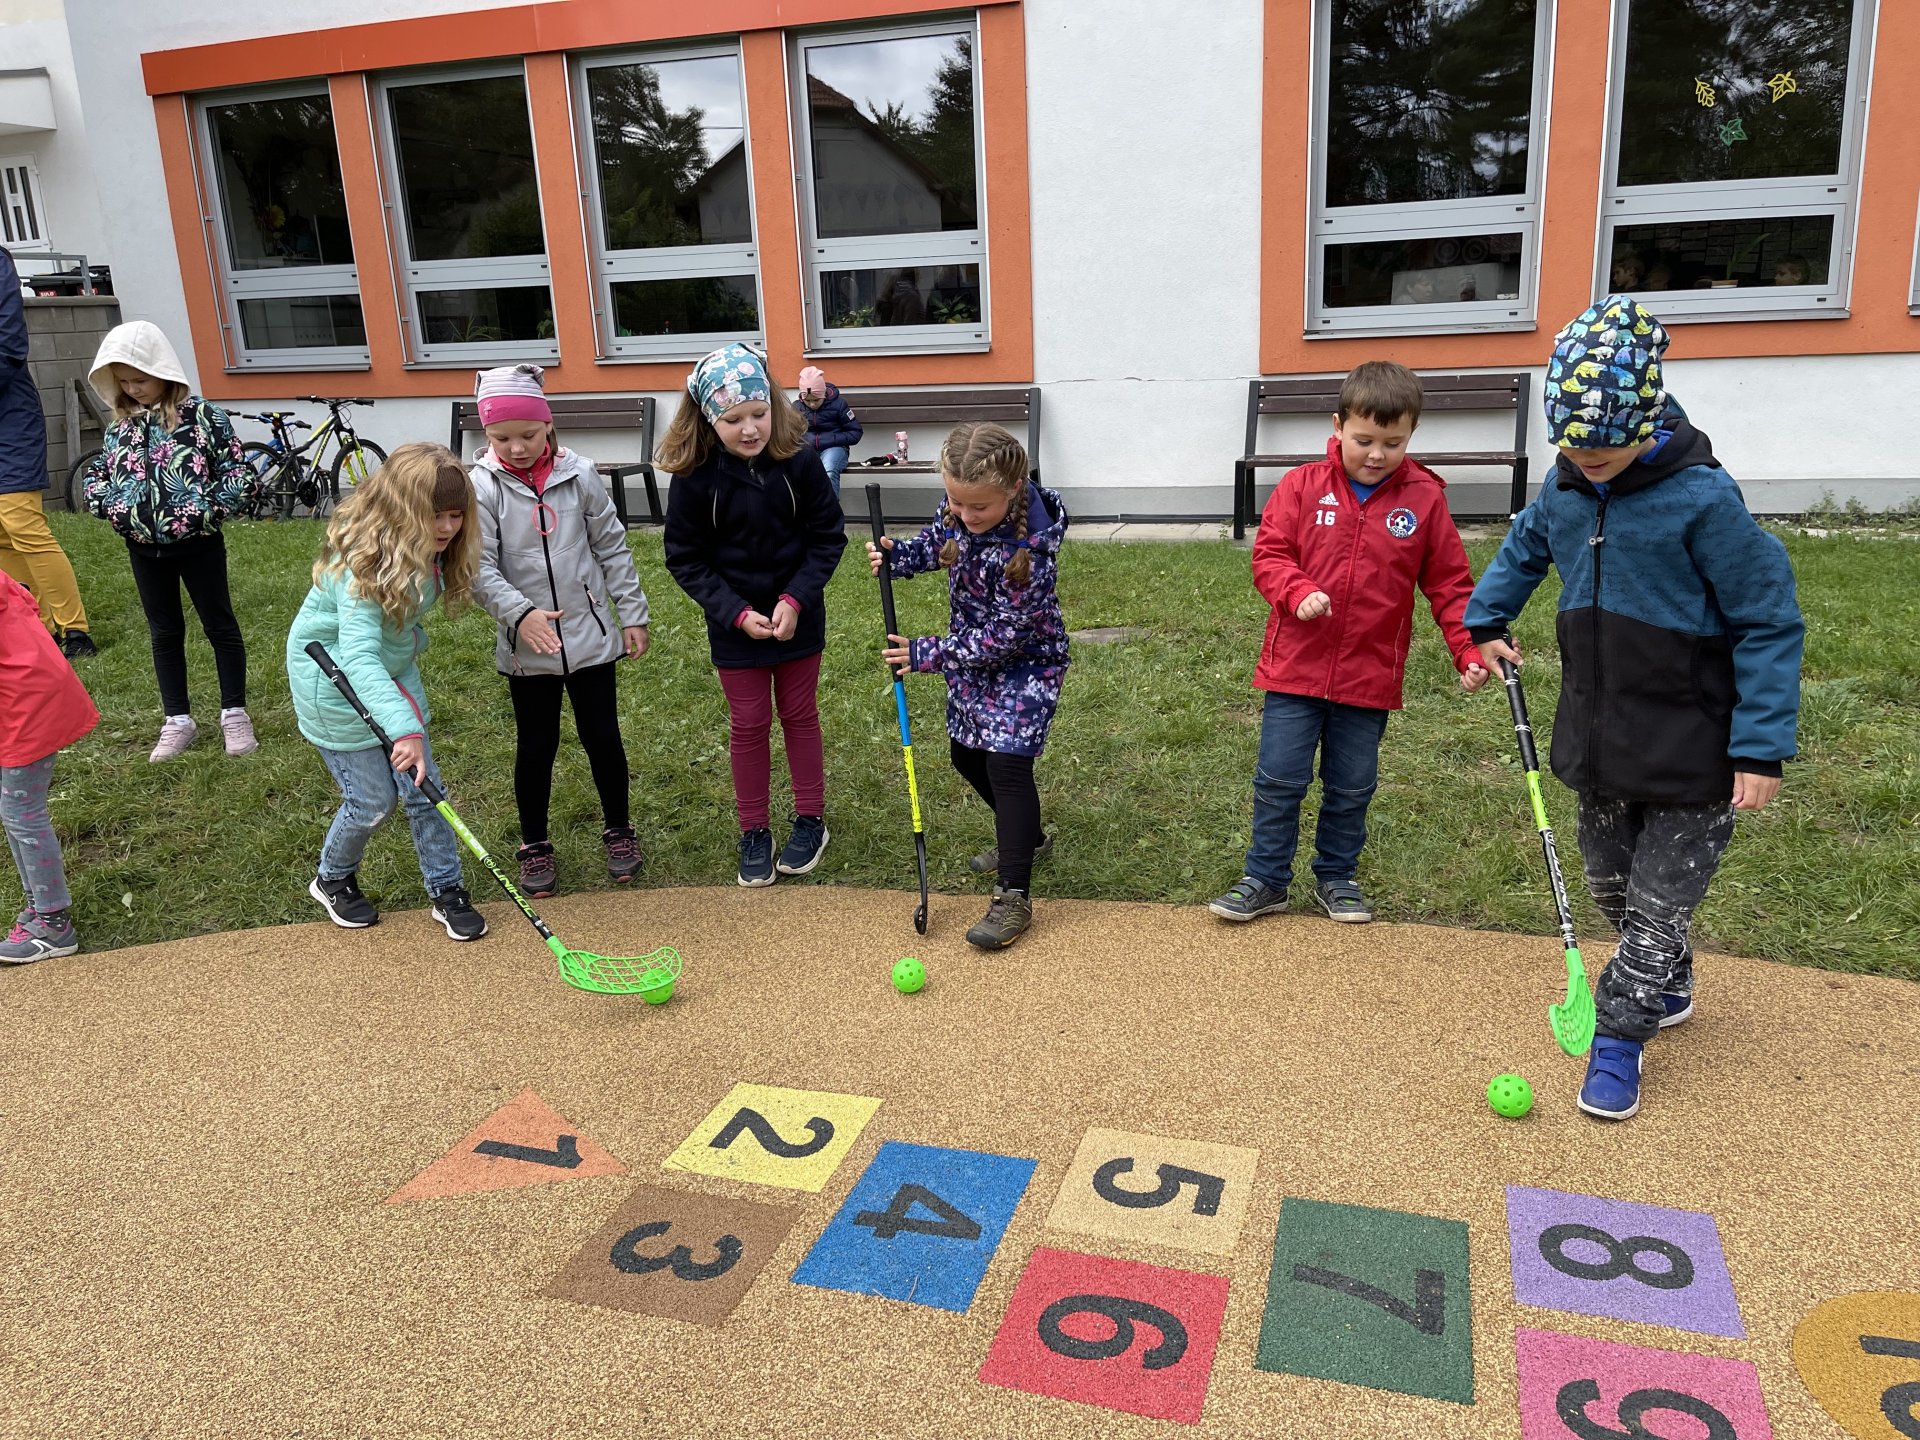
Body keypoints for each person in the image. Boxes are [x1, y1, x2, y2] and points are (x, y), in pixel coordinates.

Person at [1466, 294, 1803, 1122]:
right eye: (1572, 449)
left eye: (1603, 453)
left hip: (1694, 746)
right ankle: (1668, 977)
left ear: (1646, 424)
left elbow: (1768, 620)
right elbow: (1528, 543)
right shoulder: (1567, 484)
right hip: (1599, 737)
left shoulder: (1704, 500)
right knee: (1612, 889)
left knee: (1655, 911)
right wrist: (1487, 620)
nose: (1586, 464)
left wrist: (1759, 746)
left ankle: (1618, 1040)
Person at [1209, 360, 1490, 927]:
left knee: (1352, 785)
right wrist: (1296, 590)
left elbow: (1450, 584)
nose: (1377, 454)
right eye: (1364, 440)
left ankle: (1337, 876)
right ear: (1338, 426)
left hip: (1369, 674)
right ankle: (1266, 878)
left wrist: (1467, 648)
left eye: (1393, 442)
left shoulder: (1424, 498)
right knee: (1279, 779)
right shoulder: (1302, 486)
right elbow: (1270, 555)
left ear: (1412, 434)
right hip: (1295, 668)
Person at [867, 422, 1069, 950]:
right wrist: (899, 557)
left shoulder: (1031, 554)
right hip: (970, 659)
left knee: (1006, 764)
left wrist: (926, 653)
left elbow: (1005, 637)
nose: (965, 514)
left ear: (1014, 489)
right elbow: (940, 543)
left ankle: (1014, 894)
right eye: (956, 501)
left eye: (978, 507)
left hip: (1027, 664)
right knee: (965, 756)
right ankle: (1027, 838)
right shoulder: (959, 512)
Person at [660, 343, 846, 888]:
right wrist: (736, 613)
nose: (750, 429)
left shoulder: (800, 461)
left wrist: (795, 600)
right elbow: (685, 559)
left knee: (799, 715)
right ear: (707, 420)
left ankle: (810, 820)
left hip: (798, 620)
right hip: (734, 627)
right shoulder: (693, 477)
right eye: (733, 420)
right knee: (748, 723)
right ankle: (754, 829)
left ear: (775, 407)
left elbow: (827, 537)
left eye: (759, 414)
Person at [286, 442, 488, 942]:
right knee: (372, 802)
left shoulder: (428, 551)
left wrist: (405, 726)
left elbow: (389, 645)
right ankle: (332, 878)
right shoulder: (360, 567)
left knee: (426, 794)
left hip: (391, 673)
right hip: (332, 683)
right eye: (434, 516)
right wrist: (404, 730)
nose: (447, 527)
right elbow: (358, 656)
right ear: (400, 510)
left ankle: (447, 889)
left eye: (456, 515)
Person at [467, 365, 650, 898]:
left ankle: (619, 830)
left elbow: (612, 547)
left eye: (528, 434)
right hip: (527, 649)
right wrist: (520, 614)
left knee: (603, 737)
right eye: (501, 437)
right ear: (487, 434)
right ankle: (535, 843)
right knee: (536, 745)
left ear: (548, 425)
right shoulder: (481, 487)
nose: (516, 447)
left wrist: (632, 613)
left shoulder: (581, 474)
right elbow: (478, 569)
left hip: (589, 639)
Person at [83, 322, 257, 761]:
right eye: (123, 382)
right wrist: (112, 506)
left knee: (220, 625)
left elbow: (239, 473)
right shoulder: (120, 428)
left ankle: (234, 713)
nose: (132, 389)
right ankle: (177, 719)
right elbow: (98, 475)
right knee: (164, 632)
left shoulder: (204, 418)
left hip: (199, 546)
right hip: (144, 550)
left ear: (163, 371)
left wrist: (204, 510)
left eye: (140, 379)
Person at [0, 245, 92, 658]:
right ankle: (39, 626)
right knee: (1, 534)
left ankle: (76, 631)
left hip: (10, 418)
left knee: (21, 522)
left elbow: (8, 349)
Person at [0, 572, 98, 962]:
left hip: (25, 707)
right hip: (31, 697)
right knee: (15, 811)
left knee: (22, 813)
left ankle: (53, 925)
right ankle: (38, 909)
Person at [795, 365, 862, 497]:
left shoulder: (839, 405)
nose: (812, 404)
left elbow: (855, 433)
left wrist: (830, 439)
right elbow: (790, 434)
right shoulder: (797, 408)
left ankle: (830, 508)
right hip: (808, 450)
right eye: (808, 400)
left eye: (816, 400)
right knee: (798, 473)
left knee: (829, 471)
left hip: (834, 448)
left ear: (824, 394)